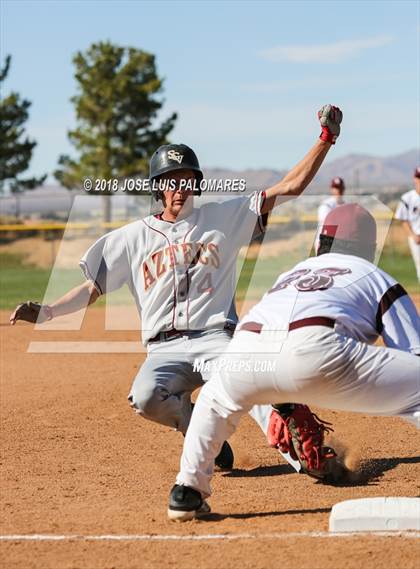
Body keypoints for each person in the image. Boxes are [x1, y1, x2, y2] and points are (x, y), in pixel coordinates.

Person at [10, 105, 343, 477]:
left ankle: (305, 456)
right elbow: (93, 287)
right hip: (163, 348)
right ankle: (197, 431)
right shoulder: (132, 238)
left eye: (186, 180)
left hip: (217, 338)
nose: (179, 188)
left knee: (250, 380)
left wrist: (325, 139)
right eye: (171, 180)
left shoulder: (224, 217)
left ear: (196, 185)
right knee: (146, 397)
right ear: (158, 188)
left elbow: (290, 187)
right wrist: (50, 312)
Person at [168, 203, 420, 522]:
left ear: (319, 243)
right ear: (370, 249)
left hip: (246, 351)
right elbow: (413, 352)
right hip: (320, 349)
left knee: (215, 400)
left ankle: (186, 490)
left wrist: (280, 399)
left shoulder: (292, 273)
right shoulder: (373, 275)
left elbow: (278, 338)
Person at [395, 168, 420, 283]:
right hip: (416, 238)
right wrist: (413, 235)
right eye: (418, 177)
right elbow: (403, 219)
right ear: (415, 179)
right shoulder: (407, 198)